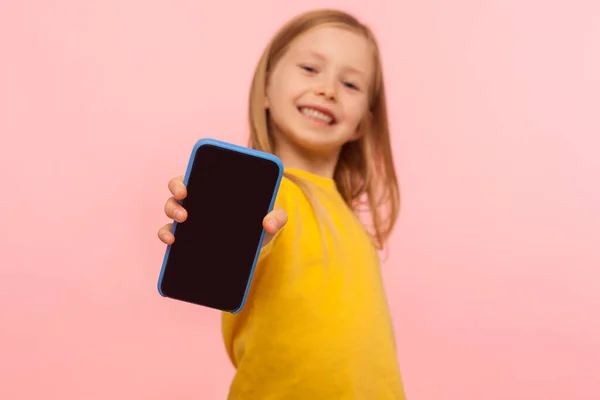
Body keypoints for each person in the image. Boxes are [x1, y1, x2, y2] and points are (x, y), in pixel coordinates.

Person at [157, 8, 406, 400]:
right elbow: (257, 237)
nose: (328, 89)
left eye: (351, 84)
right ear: (266, 87)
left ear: (363, 123)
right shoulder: (267, 201)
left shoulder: (348, 219)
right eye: (310, 68)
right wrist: (207, 222)